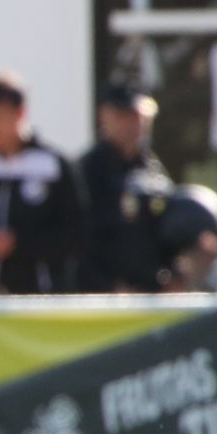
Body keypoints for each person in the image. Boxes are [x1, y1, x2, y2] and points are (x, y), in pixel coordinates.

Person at [0, 73, 86, 294]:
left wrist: (19, 244)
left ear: (21, 113)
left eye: (1, 118)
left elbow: (76, 233)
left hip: (43, 294)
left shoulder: (53, 164)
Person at [79, 82, 172, 293]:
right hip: (101, 296)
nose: (133, 123)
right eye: (123, 115)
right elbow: (77, 239)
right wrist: (108, 286)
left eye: (138, 116)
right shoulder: (87, 170)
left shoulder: (154, 169)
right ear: (104, 116)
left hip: (150, 292)